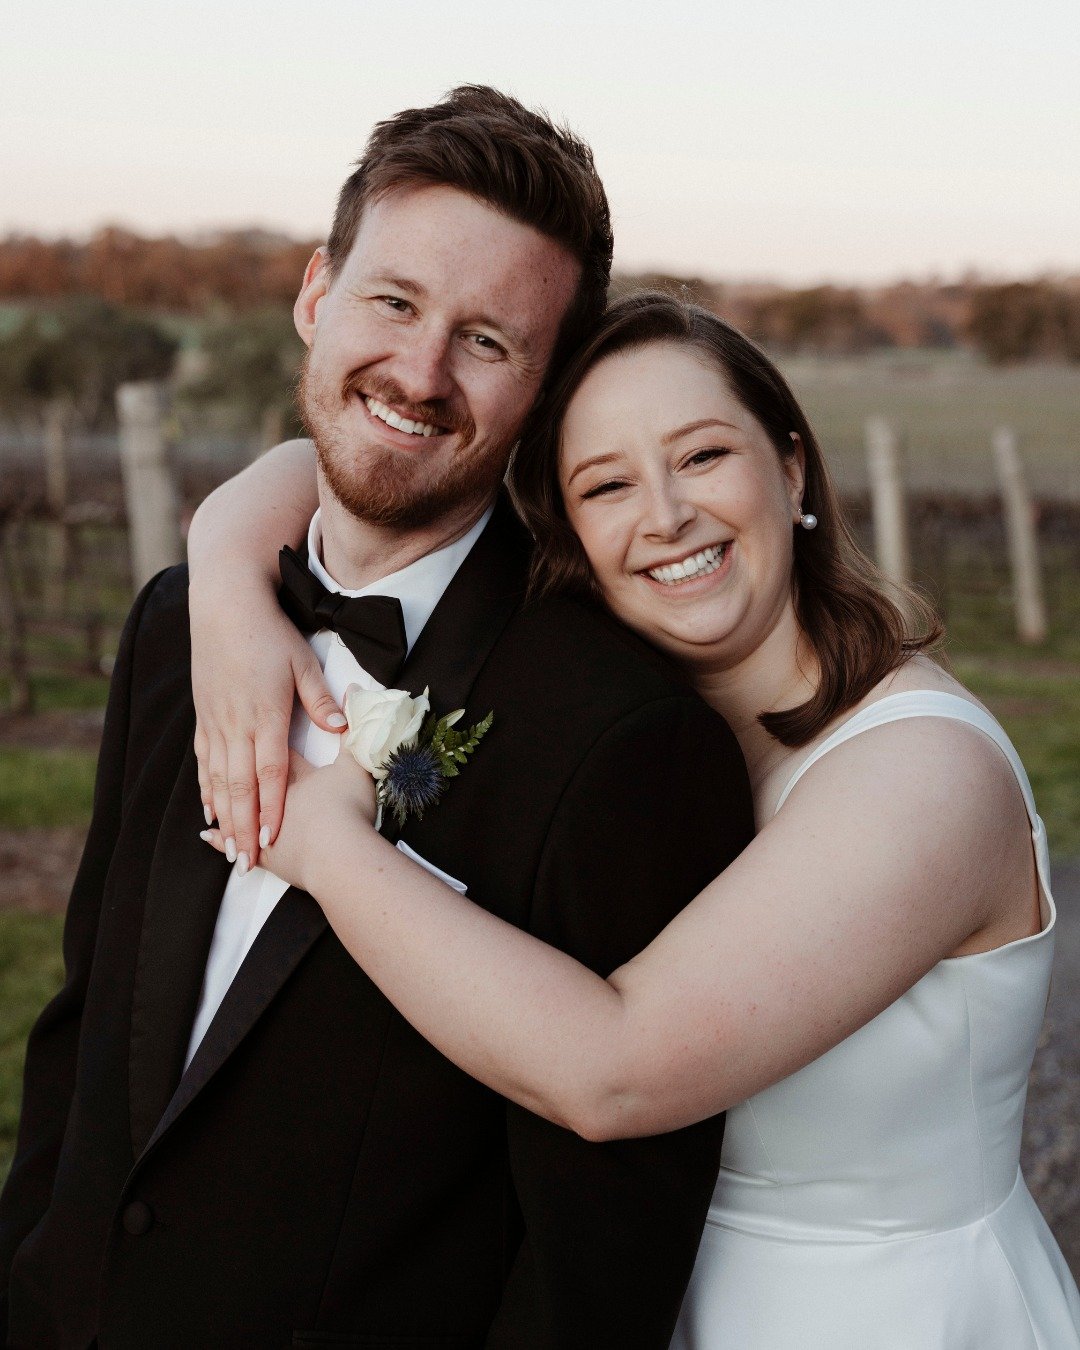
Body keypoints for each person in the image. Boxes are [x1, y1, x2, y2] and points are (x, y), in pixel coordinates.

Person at [0, 92, 754, 1349]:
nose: (418, 372)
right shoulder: (183, 624)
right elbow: (87, 1026)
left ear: (546, 391)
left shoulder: (621, 738)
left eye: (488, 342)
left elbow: (598, 1252)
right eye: (393, 302)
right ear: (316, 294)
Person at [187, 293, 1080, 1348]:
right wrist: (222, 574)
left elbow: (615, 1072)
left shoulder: (926, 773)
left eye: (702, 457)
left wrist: (327, 846)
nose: (664, 515)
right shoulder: (629, 735)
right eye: (607, 483)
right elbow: (327, 468)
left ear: (791, 468)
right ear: (568, 535)